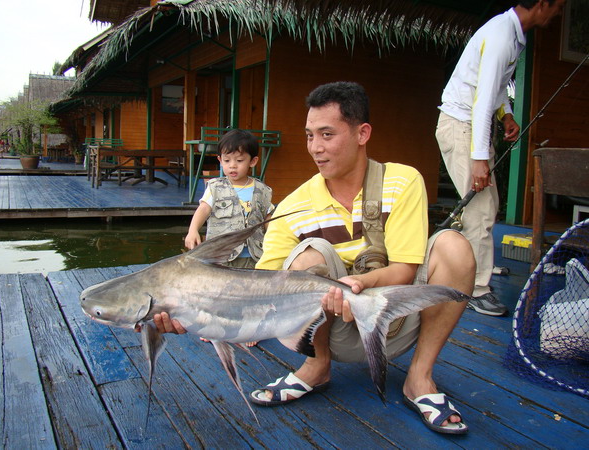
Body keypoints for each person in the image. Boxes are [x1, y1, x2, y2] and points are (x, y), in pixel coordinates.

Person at [158, 82, 476, 434]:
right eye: (310, 136)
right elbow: (258, 286)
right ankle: (317, 365)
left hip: (398, 321)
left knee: (454, 246)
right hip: (330, 328)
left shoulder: (403, 181)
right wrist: (193, 312)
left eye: (327, 134)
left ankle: (419, 377)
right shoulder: (293, 206)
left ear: (362, 133)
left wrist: (360, 284)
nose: (316, 148)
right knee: (310, 255)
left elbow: (406, 268)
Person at [436, 0, 566, 316]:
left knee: (486, 207)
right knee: (480, 211)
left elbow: (494, 91)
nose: (559, 13)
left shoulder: (513, 34)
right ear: (542, 4)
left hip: (470, 128)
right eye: (558, 6)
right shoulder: (500, 36)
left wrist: (506, 114)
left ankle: (474, 271)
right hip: (462, 126)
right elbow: (481, 103)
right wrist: (480, 158)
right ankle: (474, 289)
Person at [184, 128, 275, 346]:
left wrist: (275, 241)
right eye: (227, 160)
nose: (232, 166)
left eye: (239, 160)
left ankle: (251, 329)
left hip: (253, 253)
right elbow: (203, 210)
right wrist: (193, 230)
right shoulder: (215, 188)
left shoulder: (262, 190)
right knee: (218, 292)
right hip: (221, 254)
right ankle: (214, 326)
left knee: (251, 293)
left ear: (253, 161)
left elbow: (270, 217)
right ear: (220, 160)